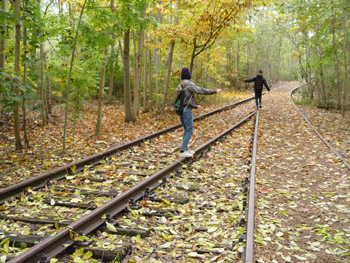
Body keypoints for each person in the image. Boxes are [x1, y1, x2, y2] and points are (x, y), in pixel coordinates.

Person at [178, 67, 222, 158]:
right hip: (187, 110)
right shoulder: (189, 85)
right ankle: (182, 150)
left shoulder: (180, 85)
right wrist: (214, 91)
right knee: (189, 130)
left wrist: (195, 106)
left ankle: (185, 149)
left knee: (186, 129)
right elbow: (201, 91)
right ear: (189, 75)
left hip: (181, 109)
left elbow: (184, 99)